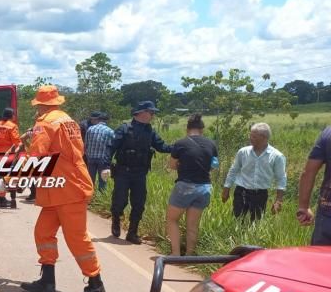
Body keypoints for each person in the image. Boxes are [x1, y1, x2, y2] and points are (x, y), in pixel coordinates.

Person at [19, 85, 106, 292]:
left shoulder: (45, 123)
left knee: (76, 238)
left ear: (40, 105)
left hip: (68, 189)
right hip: (59, 189)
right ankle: (47, 282)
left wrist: (9, 180)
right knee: (43, 233)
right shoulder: (68, 120)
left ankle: (96, 284)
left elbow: (36, 157)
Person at [102, 101, 172, 244]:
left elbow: (162, 147)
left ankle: (132, 233)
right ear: (141, 112)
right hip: (123, 171)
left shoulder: (150, 131)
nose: (152, 115)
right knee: (120, 200)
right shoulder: (124, 128)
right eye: (151, 112)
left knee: (139, 203)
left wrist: (181, 147)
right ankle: (116, 218)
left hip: (140, 173)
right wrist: (105, 166)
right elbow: (110, 148)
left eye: (153, 113)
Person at [165, 114, 218, 256]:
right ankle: (189, 255)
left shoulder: (180, 143)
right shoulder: (211, 144)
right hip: (205, 187)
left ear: (187, 129)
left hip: (185, 186)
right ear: (202, 129)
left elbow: (172, 165)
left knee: (172, 219)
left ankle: (175, 254)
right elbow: (213, 165)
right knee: (193, 225)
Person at [221, 123, 287, 221]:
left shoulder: (276, 156)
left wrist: (278, 200)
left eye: (254, 136)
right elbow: (233, 170)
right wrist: (226, 189)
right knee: (237, 220)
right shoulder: (243, 152)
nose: (250, 138)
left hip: (260, 194)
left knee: (255, 222)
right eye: (250, 135)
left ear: (264, 138)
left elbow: (281, 178)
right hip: (241, 192)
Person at [297, 126, 331, 245]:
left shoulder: (328, 134)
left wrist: (303, 207)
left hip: (328, 213)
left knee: (320, 261)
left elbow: (309, 172)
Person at [0, 107, 22, 208]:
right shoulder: (12, 126)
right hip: (8, 155)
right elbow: (17, 142)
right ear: (11, 116)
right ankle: (1, 200)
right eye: (14, 115)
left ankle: (0, 199)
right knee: (6, 177)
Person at [84, 111, 114, 192]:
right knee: (103, 180)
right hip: (103, 159)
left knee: (90, 178)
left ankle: (90, 195)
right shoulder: (110, 131)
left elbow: (86, 144)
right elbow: (113, 145)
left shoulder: (90, 129)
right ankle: (101, 195)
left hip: (90, 158)